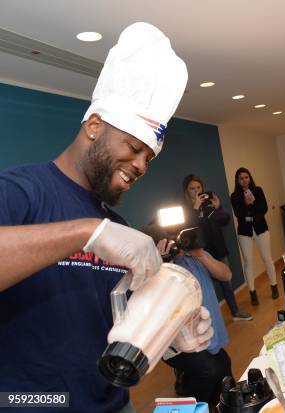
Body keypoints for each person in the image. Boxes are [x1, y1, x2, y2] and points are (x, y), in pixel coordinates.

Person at [0, 23, 213, 413]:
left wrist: (172, 332)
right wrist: (85, 233)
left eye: (149, 157)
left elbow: (123, 323)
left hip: (114, 403)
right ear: (94, 126)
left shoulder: (118, 227)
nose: (141, 165)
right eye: (133, 148)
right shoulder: (21, 190)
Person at [154, 236, 233, 408]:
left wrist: (201, 255)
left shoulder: (197, 256)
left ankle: (192, 386)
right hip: (175, 343)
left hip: (204, 336)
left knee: (224, 369)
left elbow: (226, 274)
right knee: (210, 370)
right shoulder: (157, 265)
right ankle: (186, 408)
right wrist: (160, 261)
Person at [183, 174, 253, 321]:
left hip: (218, 247)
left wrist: (219, 207)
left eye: (198, 187)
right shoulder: (185, 210)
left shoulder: (209, 204)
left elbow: (225, 220)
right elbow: (189, 228)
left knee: (226, 282)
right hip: (201, 253)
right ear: (186, 191)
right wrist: (195, 209)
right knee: (206, 287)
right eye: (192, 188)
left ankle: (235, 312)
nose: (196, 191)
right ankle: (210, 319)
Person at [230, 167, 278, 306]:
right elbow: (239, 214)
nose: (244, 180)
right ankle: (252, 292)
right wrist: (245, 204)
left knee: (267, 258)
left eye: (246, 177)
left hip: (261, 229)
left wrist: (253, 203)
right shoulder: (235, 196)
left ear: (249, 178)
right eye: (241, 178)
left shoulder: (258, 190)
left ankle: (274, 286)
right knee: (248, 262)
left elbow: (264, 209)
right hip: (244, 232)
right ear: (237, 181)